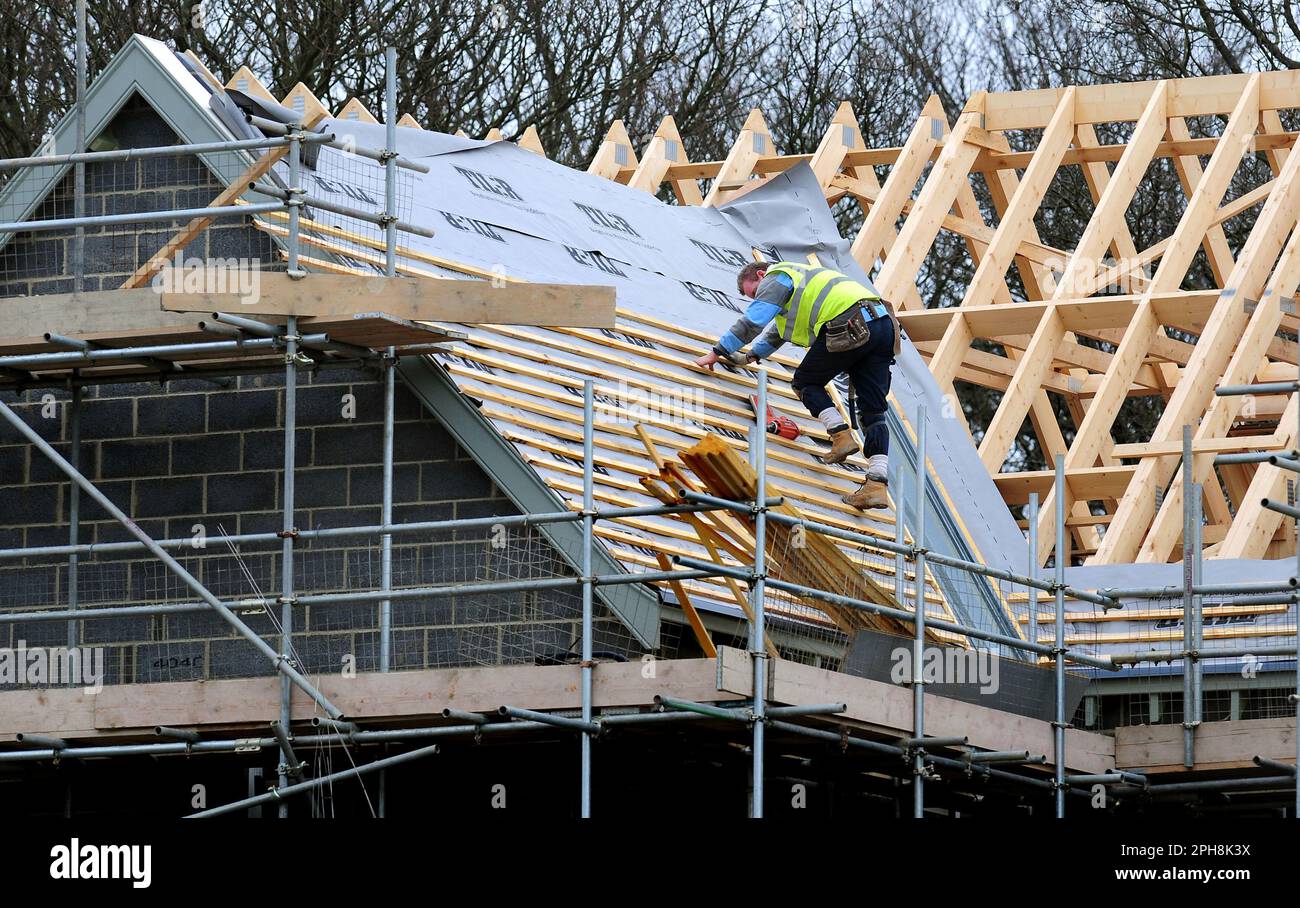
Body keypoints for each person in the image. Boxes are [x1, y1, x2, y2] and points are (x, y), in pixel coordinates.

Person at [694, 260, 900, 510]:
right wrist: (750, 356)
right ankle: (877, 485)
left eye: (755, 293)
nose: (757, 299)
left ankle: (841, 436)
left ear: (761, 274)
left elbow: (753, 321)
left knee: (805, 383)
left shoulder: (778, 276)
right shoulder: (803, 283)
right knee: (874, 413)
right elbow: (779, 332)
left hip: (850, 322)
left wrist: (718, 351)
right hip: (883, 324)